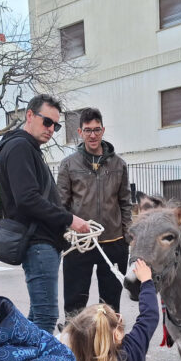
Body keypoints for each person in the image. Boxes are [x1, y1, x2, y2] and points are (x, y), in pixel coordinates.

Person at [0, 94, 90, 335]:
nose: (51, 129)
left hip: (42, 241)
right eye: (47, 122)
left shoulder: (28, 148)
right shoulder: (19, 147)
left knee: (38, 315)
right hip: (38, 242)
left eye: (56, 125)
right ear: (29, 115)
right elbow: (27, 200)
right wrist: (69, 219)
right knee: (46, 316)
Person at [58, 107, 132, 315]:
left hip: (113, 243)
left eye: (97, 130)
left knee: (110, 306)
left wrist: (127, 236)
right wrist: (65, 235)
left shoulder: (119, 165)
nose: (93, 135)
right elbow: (61, 206)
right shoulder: (68, 165)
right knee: (75, 303)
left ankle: (110, 344)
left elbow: (125, 201)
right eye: (88, 130)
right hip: (80, 243)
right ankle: (73, 343)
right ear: (80, 132)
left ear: (103, 130)